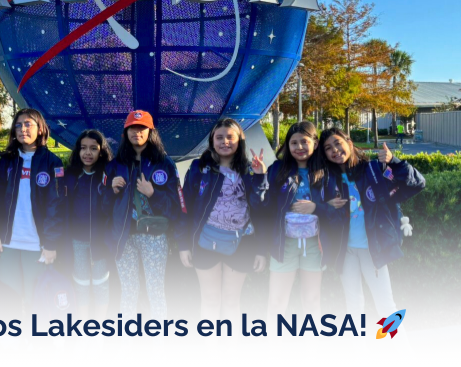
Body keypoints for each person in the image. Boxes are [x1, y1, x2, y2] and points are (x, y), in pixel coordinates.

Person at [318, 129, 425, 318]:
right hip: (345, 252)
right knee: (353, 306)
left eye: (337, 143)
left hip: (372, 248)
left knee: (386, 305)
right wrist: (326, 206)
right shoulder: (327, 180)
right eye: (328, 148)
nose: (334, 150)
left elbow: (417, 183)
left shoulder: (374, 170)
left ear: (349, 143)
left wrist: (394, 162)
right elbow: (321, 215)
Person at [177, 118, 268, 320]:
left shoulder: (250, 169)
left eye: (230, 137)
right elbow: (185, 207)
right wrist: (183, 244)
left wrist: (260, 176)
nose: (225, 141)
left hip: (242, 243)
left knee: (231, 301)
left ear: (239, 140)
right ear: (212, 141)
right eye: (219, 137)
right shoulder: (199, 168)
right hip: (206, 241)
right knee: (210, 300)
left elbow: (261, 209)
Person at [104, 110, 183, 319]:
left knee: (155, 290)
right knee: (128, 291)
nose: (137, 132)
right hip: (124, 236)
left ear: (151, 131)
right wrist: (110, 190)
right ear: (125, 132)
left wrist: (153, 194)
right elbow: (103, 205)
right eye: (132, 127)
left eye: (142, 128)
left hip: (154, 236)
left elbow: (177, 207)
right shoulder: (115, 165)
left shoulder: (165, 163)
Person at [0, 108, 64, 315]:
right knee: (8, 302)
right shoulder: (7, 161)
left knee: (36, 302)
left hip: (36, 246)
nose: (22, 129)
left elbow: (55, 206)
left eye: (28, 124)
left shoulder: (52, 162)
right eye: (18, 125)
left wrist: (51, 243)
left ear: (41, 129)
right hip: (8, 244)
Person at [256, 122, 328, 317]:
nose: (299, 147)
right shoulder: (277, 169)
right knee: (277, 301)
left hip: (314, 245)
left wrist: (316, 207)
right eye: (294, 143)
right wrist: (260, 178)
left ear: (315, 143)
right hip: (284, 244)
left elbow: (337, 208)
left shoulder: (325, 171)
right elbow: (264, 208)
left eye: (304, 142)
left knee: (312, 300)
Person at [64, 129, 113, 319]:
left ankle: (99, 327)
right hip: (77, 241)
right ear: (77, 150)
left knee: (101, 284)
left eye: (93, 148)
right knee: (81, 283)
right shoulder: (70, 176)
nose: (87, 153)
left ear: (101, 151)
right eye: (83, 148)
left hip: (101, 241)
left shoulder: (108, 175)